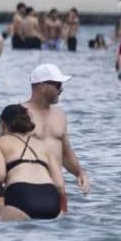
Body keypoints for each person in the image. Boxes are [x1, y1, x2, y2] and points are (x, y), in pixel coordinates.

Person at [23, 63, 90, 196]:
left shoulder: (60, 116)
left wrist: (80, 173)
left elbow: (65, 153)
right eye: (58, 85)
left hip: (56, 191)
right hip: (26, 189)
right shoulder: (19, 114)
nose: (62, 90)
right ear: (42, 86)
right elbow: (2, 153)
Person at [0, 103, 64, 221]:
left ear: (3, 124)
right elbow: (59, 185)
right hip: (51, 200)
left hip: (21, 197)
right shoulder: (44, 145)